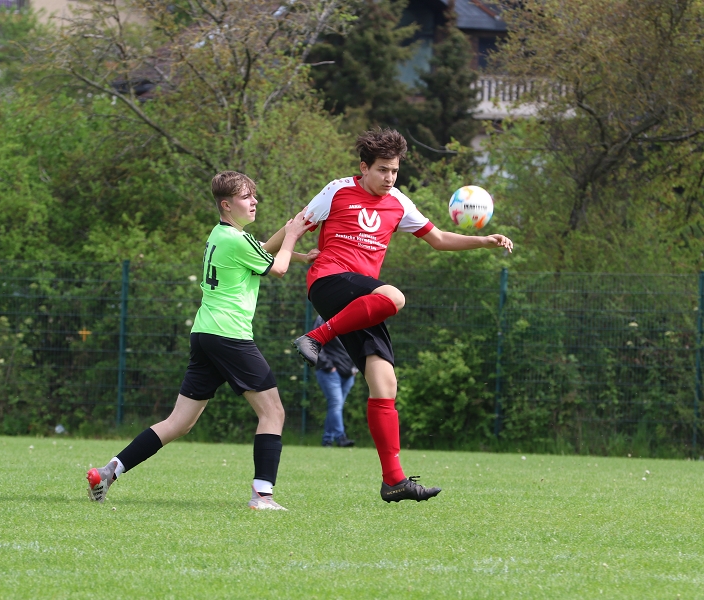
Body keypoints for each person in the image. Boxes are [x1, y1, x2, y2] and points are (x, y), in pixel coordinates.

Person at [292, 128, 513, 503]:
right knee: (394, 297)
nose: (389, 177)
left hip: (363, 296)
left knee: (385, 383)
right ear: (364, 168)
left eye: (394, 170)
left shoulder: (398, 201)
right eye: (382, 170)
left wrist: (484, 241)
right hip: (329, 281)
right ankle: (316, 337)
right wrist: (263, 252)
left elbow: (439, 239)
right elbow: (294, 226)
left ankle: (393, 480)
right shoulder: (338, 190)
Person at [88, 171, 315, 511]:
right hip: (229, 336)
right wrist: (294, 236)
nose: (253, 202)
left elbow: (265, 251)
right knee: (273, 412)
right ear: (226, 205)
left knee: (180, 422)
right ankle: (262, 496)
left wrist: (293, 237)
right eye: (245, 197)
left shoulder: (223, 235)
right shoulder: (235, 240)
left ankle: (110, 471)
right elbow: (277, 269)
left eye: (254, 195)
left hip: (206, 334)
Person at [312, 315, 357, 448]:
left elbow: (359, 344)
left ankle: (327, 439)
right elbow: (315, 342)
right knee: (336, 404)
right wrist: (328, 366)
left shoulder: (354, 316)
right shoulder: (322, 318)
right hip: (330, 371)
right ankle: (341, 437)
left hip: (349, 372)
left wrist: (356, 367)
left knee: (335, 407)